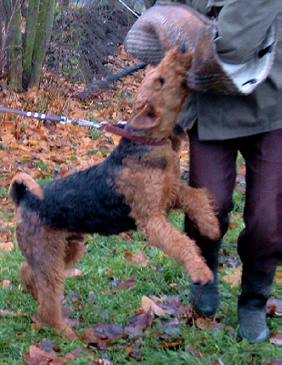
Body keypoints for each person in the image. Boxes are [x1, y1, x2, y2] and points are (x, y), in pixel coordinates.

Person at [130, 0, 282, 343]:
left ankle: (254, 301)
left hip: (274, 96)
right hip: (211, 94)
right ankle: (205, 274)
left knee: (269, 221)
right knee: (209, 204)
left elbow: (238, 36)